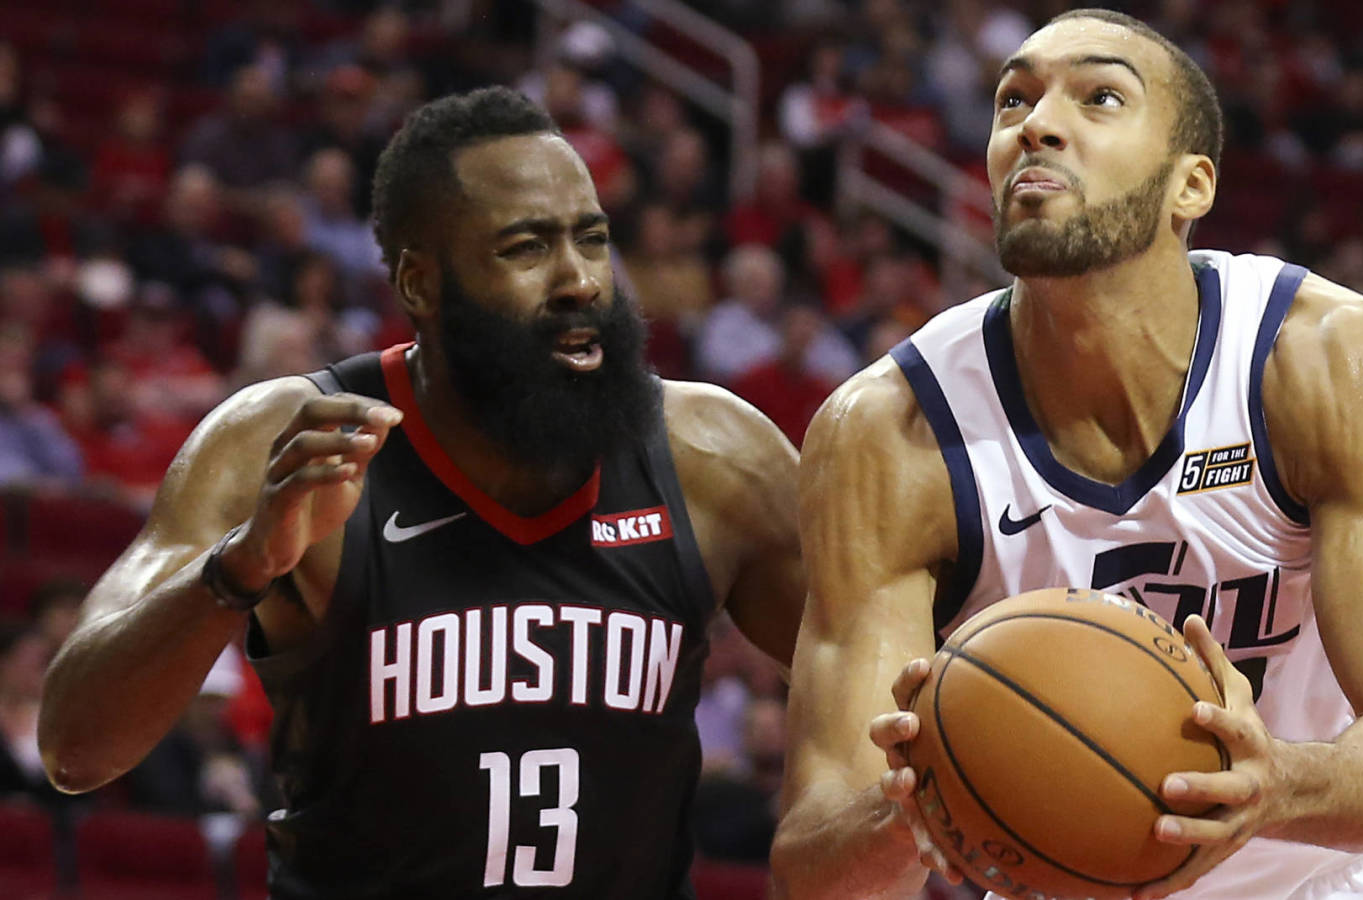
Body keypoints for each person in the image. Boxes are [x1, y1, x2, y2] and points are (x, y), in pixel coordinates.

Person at [773, 9, 1363, 900]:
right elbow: (814, 870)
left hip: (1351, 876)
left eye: (1100, 96)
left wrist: (1277, 787)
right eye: (1013, 99)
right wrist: (908, 811)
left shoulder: (1322, 356)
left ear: (1191, 185)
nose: (1034, 123)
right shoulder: (887, 434)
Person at [40, 87, 805, 899]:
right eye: (525, 248)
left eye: (591, 238)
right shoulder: (285, 442)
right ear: (419, 284)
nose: (580, 279)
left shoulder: (712, 454)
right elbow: (76, 748)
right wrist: (242, 566)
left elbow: (887, 670)